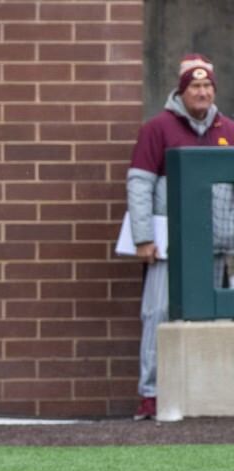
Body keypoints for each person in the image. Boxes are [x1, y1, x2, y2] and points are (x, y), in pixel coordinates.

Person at [128, 54, 234, 420]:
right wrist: (143, 237)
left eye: (207, 86)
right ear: (182, 90)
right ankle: (152, 394)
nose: (202, 92)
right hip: (168, 246)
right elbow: (140, 184)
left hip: (217, 244)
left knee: (214, 319)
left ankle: (210, 396)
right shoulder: (158, 128)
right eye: (195, 86)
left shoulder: (229, 130)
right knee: (157, 314)